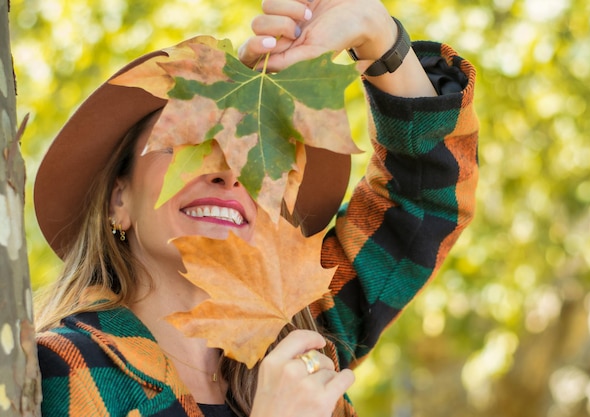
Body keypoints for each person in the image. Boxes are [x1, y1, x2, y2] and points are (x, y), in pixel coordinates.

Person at [33, 0, 479, 415]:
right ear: (119, 198)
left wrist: (379, 37)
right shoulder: (57, 368)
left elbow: (422, 199)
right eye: (187, 145)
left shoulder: (304, 331)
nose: (225, 173)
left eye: (248, 155)